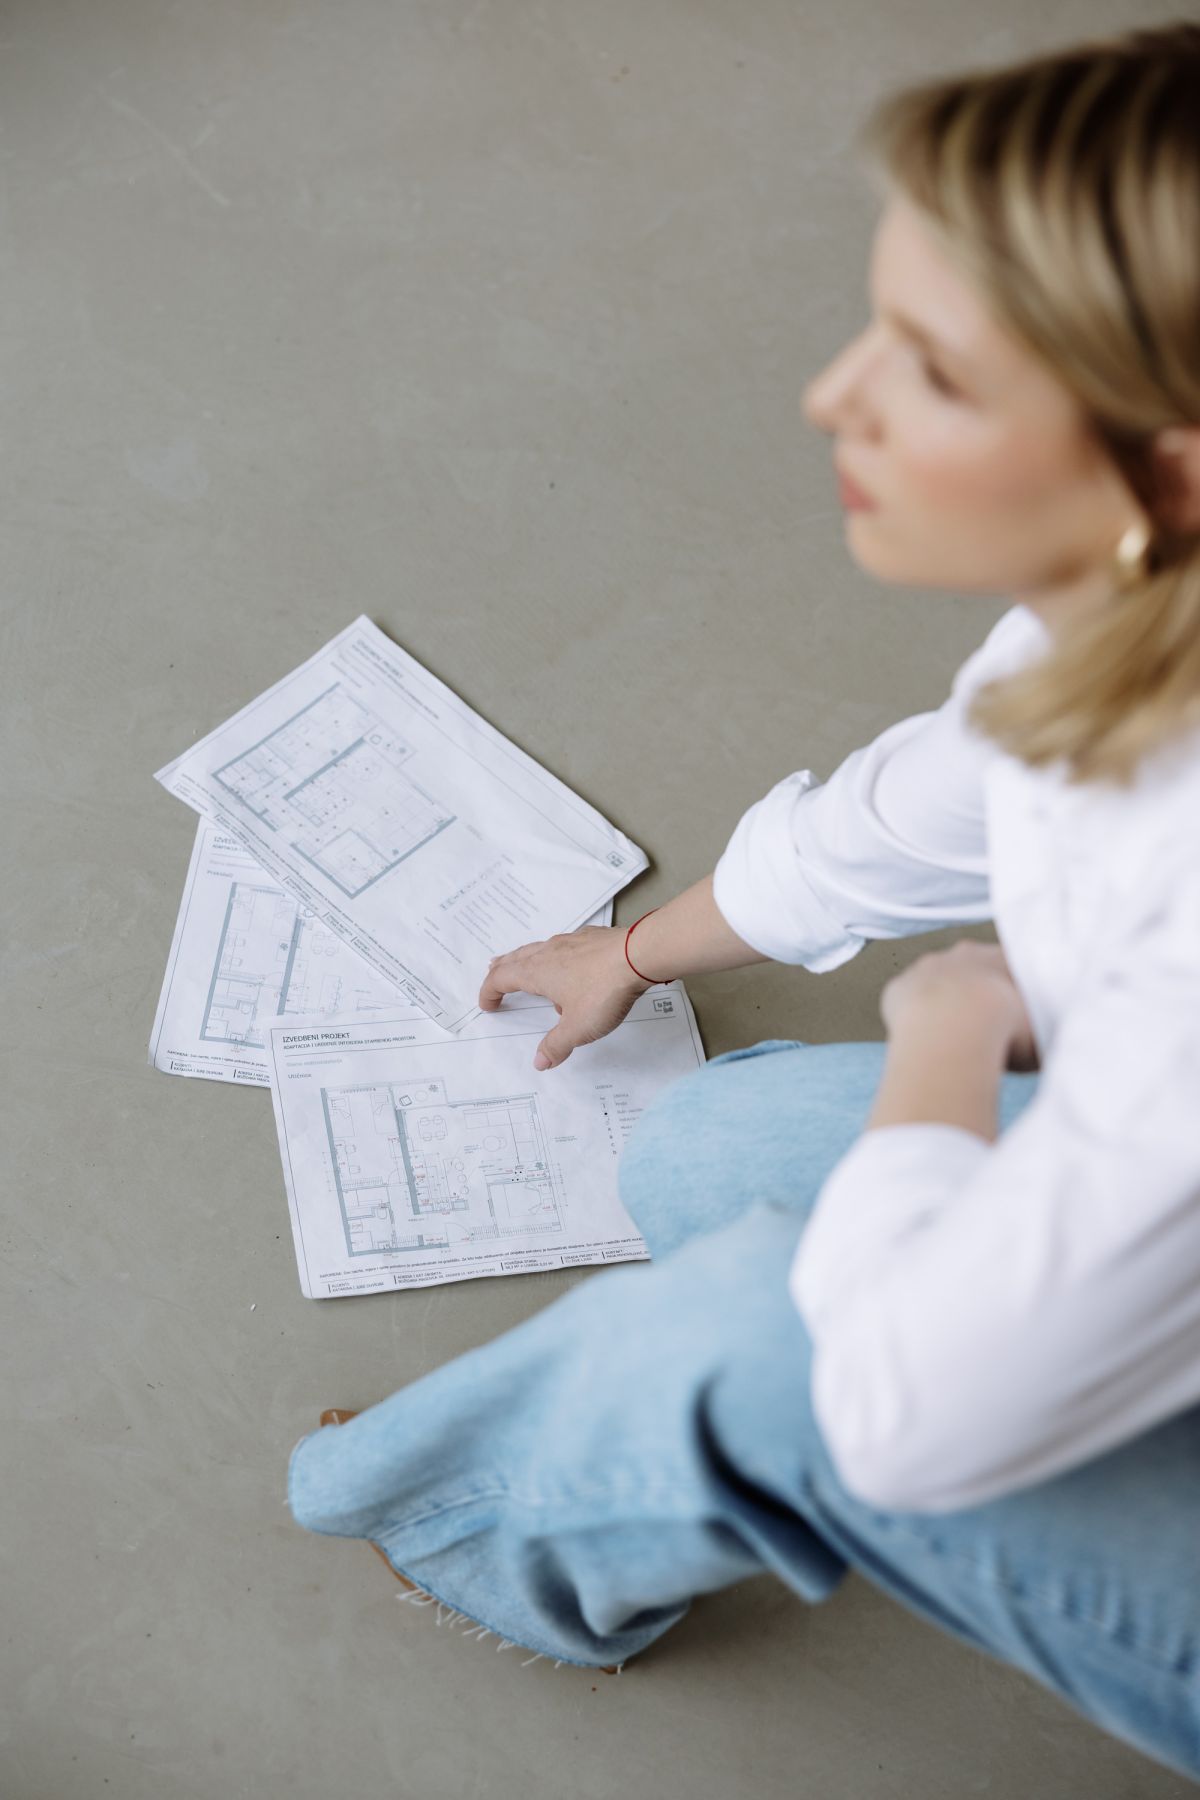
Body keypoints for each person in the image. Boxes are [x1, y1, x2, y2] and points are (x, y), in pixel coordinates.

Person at [286, 20, 1200, 1779]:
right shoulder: (1128, 619)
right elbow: (930, 803)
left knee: (758, 1340)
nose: (832, 396)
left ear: (1174, 468)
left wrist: (945, 1038)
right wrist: (634, 952)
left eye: (935, 375)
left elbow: (905, 1410)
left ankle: (470, 1529)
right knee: (705, 1152)